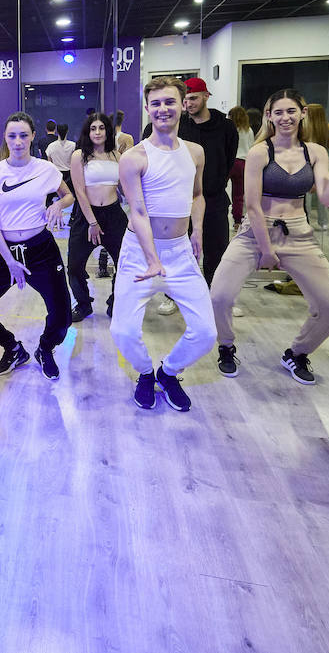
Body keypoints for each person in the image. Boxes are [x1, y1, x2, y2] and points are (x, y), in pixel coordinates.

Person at [208, 90, 329, 383]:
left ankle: (297, 352)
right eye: (278, 112)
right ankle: (226, 346)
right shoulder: (259, 152)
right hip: (255, 233)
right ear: (269, 116)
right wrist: (266, 250)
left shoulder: (315, 152)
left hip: (300, 235)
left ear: (302, 113)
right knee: (219, 295)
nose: (285, 118)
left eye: (291, 111)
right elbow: (252, 206)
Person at [110, 77, 214, 412]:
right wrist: (153, 260)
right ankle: (144, 373)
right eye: (155, 103)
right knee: (123, 332)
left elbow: (198, 195)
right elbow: (138, 211)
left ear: (182, 104)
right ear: (147, 108)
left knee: (206, 331)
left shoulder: (195, 152)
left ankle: (168, 373)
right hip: (140, 252)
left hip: (180, 252)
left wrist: (196, 230)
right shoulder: (134, 157)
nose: (162, 109)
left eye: (169, 101)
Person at [0, 112, 74, 380]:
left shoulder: (45, 169)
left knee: (62, 317)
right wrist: (10, 262)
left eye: (23, 135)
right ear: (5, 137)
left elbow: (68, 194)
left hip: (41, 250)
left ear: (32, 137)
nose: (18, 141)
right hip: (6, 252)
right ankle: (13, 349)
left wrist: (58, 204)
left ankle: (45, 349)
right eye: (12, 135)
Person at [177, 77, 238, 285]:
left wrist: (214, 183)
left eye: (193, 98)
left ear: (206, 96)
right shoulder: (179, 125)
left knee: (216, 252)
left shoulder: (226, 126)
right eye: (184, 100)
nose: (188, 104)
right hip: (182, 201)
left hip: (214, 199)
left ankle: (215, 294)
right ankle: (174, 295)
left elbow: (229, 160)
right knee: (181, 252)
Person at [67, 113, 125, 322]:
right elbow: (80, 191)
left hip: (114, 215)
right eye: (93, 128)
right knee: (74, 265)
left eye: (102, 128)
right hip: (86, 216)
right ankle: (83, 305)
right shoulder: (79, 155)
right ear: (87, 131)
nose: (98, 132)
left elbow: (125, 189)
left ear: (108, 131)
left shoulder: (117, 156)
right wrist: (92, 222)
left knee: (125, 263)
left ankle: (115, 303)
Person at [303, 104, 329, 232]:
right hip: (324, 158)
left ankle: (306, 219)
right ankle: (324, 222)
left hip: (307, 159)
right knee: (324, 191)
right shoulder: (327, 126)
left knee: (306, 192)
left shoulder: (305, 127)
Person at [228, 106, 254, 228]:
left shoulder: (229, 129)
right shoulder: (248, 130)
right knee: (238, 194)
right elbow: (251, 147)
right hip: (243, 163)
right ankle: (237, 220)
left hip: (230, 161)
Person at [46, 124, 76, 191]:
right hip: (70, 177)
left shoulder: (51, 146)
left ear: (57, 131)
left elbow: (49, 164)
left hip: (56, 176)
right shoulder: (73, 146)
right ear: (67, 131)